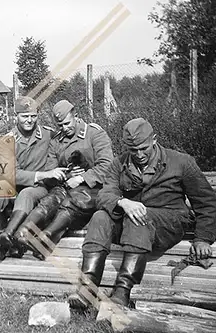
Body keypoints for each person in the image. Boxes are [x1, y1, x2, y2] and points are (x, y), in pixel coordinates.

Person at [68, 118, 216, 309]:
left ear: (154, 139)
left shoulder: (181, 162)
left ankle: (122, 292)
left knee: (138, 216)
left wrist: (202, 238)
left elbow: (206, 202)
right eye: (133, 150)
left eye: (143, 148)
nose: (139, 154)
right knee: (100, 217)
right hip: (134, 225)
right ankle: (87, 288)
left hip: (169, 223)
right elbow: (105, 194)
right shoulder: (119, 163)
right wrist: (122, 202)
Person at [2, 99, 114, 261]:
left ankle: (45, 237)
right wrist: (68, 175)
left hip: (95, 188)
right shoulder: (57, 141)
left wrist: (82, 177)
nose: (64, 128)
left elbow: (107, 165)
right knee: (50, 199)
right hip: (68, 186)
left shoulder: (94, 134)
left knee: (74, 200)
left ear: (75, 116)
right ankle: (23, 233)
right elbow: (50, 169)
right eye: (60, 126)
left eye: (67, 123)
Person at [0, 96, 62, 259]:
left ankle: (5, 240)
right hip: (17, 185)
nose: (29, 120)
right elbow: (11, 174)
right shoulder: (7, 140)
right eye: (25, 116)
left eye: (33, 116)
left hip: (40, 188)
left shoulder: (48, 134)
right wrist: (42, 174)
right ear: (15, 116)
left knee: (27, 193)